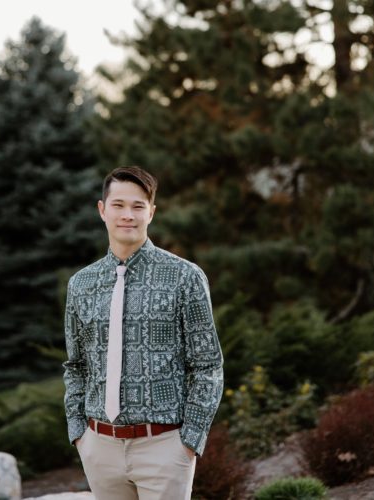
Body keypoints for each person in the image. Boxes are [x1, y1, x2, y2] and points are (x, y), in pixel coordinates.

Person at [63, 166, 223, 500]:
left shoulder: (185, 277)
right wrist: (79, 433)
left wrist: (190, 440)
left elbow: (207, 365)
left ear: (151, 212)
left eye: (138, 206)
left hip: (164, 447)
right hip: (99, 448)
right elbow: (76, 365)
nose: (128, 215)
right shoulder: (81, 284)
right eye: (118, 205)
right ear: (102, 210)